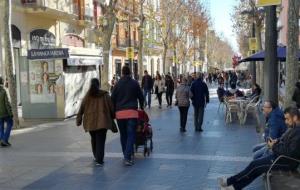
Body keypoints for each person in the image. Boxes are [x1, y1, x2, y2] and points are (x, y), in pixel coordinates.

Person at [218, 107, 300, 190]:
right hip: (279, 157)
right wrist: (276, 141)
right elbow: (285, 140)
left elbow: (290, 152)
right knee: (255, 166)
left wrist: (273, 146)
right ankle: (233, 186)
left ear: (295, 117)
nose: (286, 122)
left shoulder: (298, 131)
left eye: (287, 119)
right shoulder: (294, 127)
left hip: (287, 162)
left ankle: (230, 182)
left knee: (255, 166)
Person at [76, 78, 114, 166]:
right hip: (103, 121)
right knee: (101, 140)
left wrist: (79, 119)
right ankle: (99, 160)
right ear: (98, 85)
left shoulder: (87, 96)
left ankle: (96, 156)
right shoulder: (105, 95)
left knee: (94, 139)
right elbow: (111, 106)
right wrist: (113, 115)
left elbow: (81, 108)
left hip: (90, 122)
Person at [111, 66, 144, 166]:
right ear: (130, 72)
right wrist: (142, 106)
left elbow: (112, 98)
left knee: (123, 135)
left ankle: (125, 154)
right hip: (131, 112)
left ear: (122, 72)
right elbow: (141, 96)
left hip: (120, 114)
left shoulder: (117, 84)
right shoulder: (134, 83)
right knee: (131, 135)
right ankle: (127, 156)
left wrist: (114, 110)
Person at [0, 77, 13, 147]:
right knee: (10, 123)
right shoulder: (3, 91)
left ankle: (1, 139)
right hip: (5, 113)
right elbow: (7, 103)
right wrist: (10, 113)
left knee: (0, 126)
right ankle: (4, 140)